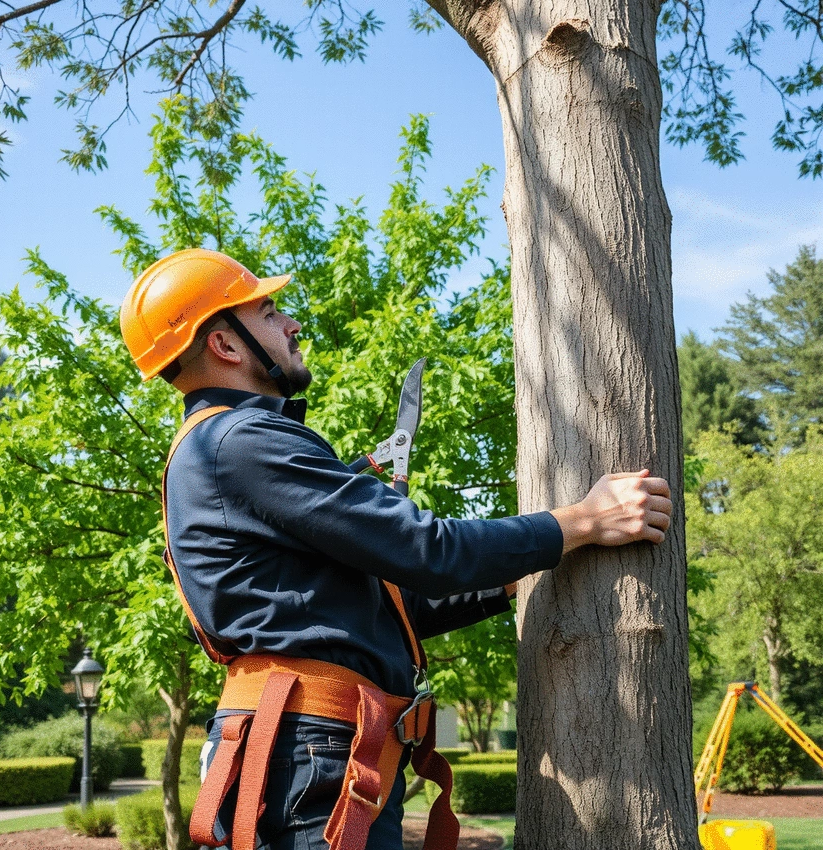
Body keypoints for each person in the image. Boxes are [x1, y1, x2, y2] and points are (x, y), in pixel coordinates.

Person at [120, 248, 672, 850]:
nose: (292, 324)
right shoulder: (243, 440)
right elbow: (427, 550)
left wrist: (508, 576)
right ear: (226, 344)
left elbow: (384, 608)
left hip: (309, 748)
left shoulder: (222, 448)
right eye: (270, 313)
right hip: (311, 751)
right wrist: (585, 521)